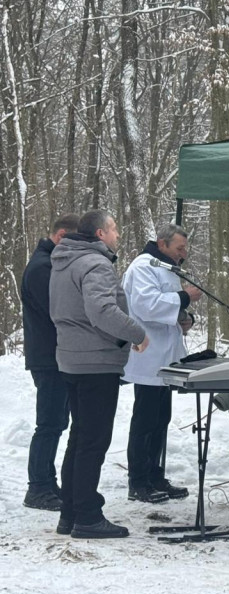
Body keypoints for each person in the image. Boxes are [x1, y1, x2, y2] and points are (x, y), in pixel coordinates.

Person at [49, 209, 148, 539]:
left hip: (72, 360)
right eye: (114, 228)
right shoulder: (95, 263)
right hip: (96, 362)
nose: (118, 234)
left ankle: (70, 513)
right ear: (101, 234)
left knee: (80, 439)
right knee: (92, 441)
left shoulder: (63, 261)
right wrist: (136, 333)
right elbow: (101, 310)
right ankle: (88, 516)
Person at [122, 224, 202, 503]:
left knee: (161, 420)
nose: (184, 253)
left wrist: (185, 318)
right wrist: (184, 297)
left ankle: (155, 475)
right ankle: (138, 481)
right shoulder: (142, 267)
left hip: (166, 356)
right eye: (179, 248)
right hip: (147, 355)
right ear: (162, 243)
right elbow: (147, 306)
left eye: (185, 248)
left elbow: (169, 310)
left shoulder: (165, 267)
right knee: (144, 421)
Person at [20, 213, 80, 511]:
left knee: (56, 422)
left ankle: (46, 481)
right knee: (49, 424)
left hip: (53, 355)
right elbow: (57, 311)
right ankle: (38, 487)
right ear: (61, 237)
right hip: (49, 358)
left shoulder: (47, 263)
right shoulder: (43, 268)